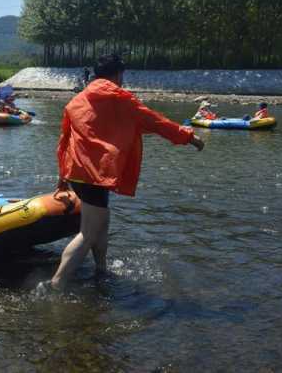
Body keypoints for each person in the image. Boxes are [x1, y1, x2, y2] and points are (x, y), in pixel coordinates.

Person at [36, 54, 204, 294]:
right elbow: (154, 121)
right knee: (88, 232)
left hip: (79, 173)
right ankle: (57, 283)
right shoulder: (121, 98)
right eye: (122, 75)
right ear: (117, 74)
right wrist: (189, 137)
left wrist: (63, 178)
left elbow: (64, 141)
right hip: (95, 174)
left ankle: (101, 270)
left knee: (101, 224)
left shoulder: (77, 101)